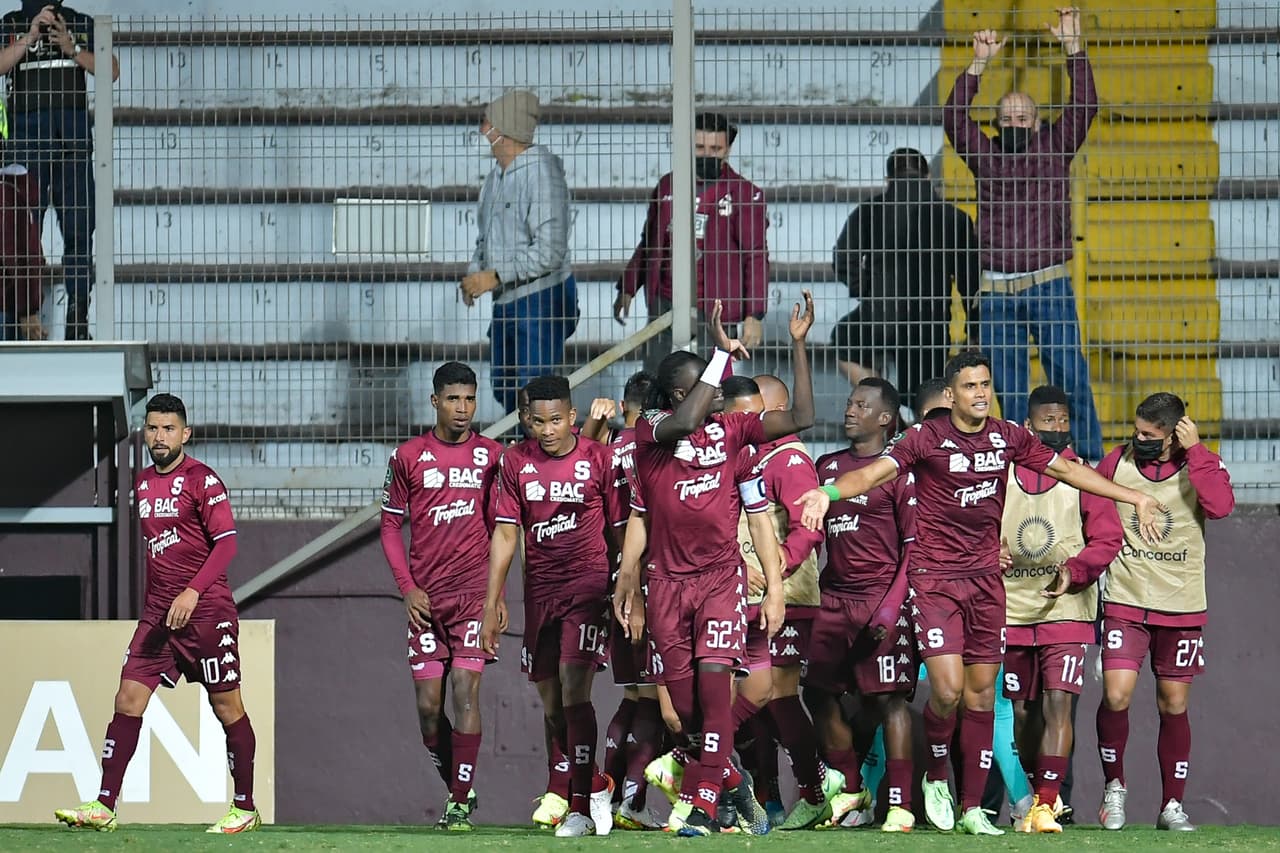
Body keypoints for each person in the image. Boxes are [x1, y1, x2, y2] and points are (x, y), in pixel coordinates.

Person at [793, 350, 1166, 836]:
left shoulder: (1007, 435)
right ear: (951, 395)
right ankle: (935, 778)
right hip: (936, 581)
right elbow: (875, 472)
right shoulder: (925, 437)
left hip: (987, 581)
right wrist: (830, 493)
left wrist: (1134, 496)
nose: (981, 393)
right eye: (971, 386)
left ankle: (972, 808)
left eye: (985, 384)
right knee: (946, 690)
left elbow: (1068, 471)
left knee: (982, 696)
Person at [613, 291, 817, 837]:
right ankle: (729, 780)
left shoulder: (734, 435)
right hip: (667, 586)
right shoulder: (649, 435)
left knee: (713, 689)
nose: (719, 387)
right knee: (683, 714)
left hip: (720, 582)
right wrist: (628, 583)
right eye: (706, 379)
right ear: (684, 392)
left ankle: (702, 806)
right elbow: (682, 424)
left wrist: (798, 347)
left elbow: (803, 416)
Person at [54, 394, 259, 833]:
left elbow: (227, 545)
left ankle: (245, 807)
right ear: (143, 432)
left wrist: (191, 592)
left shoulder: (203, 480)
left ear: (185, 434)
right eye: (152, 428)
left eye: (168, 428)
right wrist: (167, 600)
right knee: (127, 699)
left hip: (205, 613)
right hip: (158, 617)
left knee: (227, 706)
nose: (159, 436)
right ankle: (104, 806)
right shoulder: (143, 482)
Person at [943, 8, 1104, 460]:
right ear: (996, 124)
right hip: (996, 290)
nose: (1014, 124)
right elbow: (954, 119)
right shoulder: (986, 157)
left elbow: (1086, 105)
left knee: (1068, 375)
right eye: (1006, 118)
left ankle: (1087, 456)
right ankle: (1020, 461)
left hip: (1048, 281)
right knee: (1009, 388)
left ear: (1037, 122)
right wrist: (977, 64)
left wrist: (1074, 48)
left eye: (1022, 117)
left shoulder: (1056, 148)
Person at [479, 375, 626, 837]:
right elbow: (505, 534)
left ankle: (578, 805)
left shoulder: (599, 459)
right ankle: (594, 782)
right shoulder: (514, 463)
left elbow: (622, 528)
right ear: (526, 418)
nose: (547, 429)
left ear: (573, 417)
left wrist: (628, 583)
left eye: (556, 420)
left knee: (573, 687)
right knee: (551, 700)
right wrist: (491, 601)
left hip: (587, 586)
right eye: (538, 421)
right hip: (539, 592)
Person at [1094, 393, 1234, 832]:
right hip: (1126, 599)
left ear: (1176, 434)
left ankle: (1171, 805)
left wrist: (1197, 453)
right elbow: (1090, 507)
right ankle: (1114, 788)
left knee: (1173, 704)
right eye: (1137, 431)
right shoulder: (1116, 463)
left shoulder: (1203, 464)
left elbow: (1221, 507)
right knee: (1116, 695)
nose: (1139, 440)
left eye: (1151, 435)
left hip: (1182, 605)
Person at [379, 362, 504, 831]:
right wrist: (407, 588)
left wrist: (496, 597)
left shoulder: (493, 457)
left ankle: (457, 803)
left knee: (464, 692)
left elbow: (502, 531)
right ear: (435, 401)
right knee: (429, 713)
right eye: (454, 399)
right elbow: (390, 527)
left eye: (470, 399)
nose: (463, 408)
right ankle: (460, 787)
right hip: (426, 602)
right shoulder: (408, 456)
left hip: (472, 597)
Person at [999, 385, 1122, 833]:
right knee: (1021, 713)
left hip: (1066, 611)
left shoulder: (1084, 477)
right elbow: (978, 527)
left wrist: (1076, 569)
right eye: (1047, 421)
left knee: (1058, 706)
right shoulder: (1002, 476)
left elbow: (1107, 540)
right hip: (1010, 611)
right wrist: (989, 551)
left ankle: (1048, 804)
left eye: (1063, 420)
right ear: (1028, 425)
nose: (1056, 428)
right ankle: (1030, 793)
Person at [723, 374, 841, 831]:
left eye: (759, 412)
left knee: (775, 692)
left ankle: (696, 761)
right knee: (766, 699)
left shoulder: (789, 458)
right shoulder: (750, 455)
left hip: (788, 595)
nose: (750, 420)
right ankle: (777, 794)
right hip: (754, 595)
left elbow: (809, 528)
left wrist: (777, 572)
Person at [806, 378, 919, 833]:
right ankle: (853, 789)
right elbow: (812, 536)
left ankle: (900, 805)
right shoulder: (826, 466)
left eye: (861, 405)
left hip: (880, 599)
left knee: (889, 701)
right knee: (817, 693)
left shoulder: (899, 472)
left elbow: (914, 546)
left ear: (885, 418)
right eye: (850, 403)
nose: (849, 410)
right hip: (832, 599)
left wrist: (891, 609)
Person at [614, 112, 769, 370]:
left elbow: (755, 254)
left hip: (716, 310)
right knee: (657, 379)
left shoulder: (745, 194)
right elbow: (649, 241)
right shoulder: (667, 186)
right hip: (665, 305)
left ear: (728, 150)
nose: (707, 154)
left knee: (713, 389)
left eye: (715, 148)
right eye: (699, 147)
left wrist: (755, 313)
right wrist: (629, 285)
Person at [0, 1, 118, 339]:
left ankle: (77, 319)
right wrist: (30, 36)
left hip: (73, 145)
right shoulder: (11, 22)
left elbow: (111, 70)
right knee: (21, 239)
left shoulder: (80, 22)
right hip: (24, 148)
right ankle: (20, 320)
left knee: (79, 235)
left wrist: (72, 48)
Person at [831, 148, 980, 414]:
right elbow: (969, 280)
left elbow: (843, 259)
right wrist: (973, 328)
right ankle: (925, 439)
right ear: (928, 175)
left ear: (888, 178)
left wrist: (866, 290)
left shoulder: (870, 210)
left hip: (879, 317)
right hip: (929, 320)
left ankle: (887, 412)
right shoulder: (954, 217)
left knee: (843, 341)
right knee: (925, 392)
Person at [461, 90, 579, 412]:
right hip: (509, 298)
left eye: (488, 122)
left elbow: (550, 250)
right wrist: (476, 273)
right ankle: (523, 452)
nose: (483, 130)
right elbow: (485, 239)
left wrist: (495, 275)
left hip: (541, 298)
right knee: (505, 386)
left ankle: (537, 457)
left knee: (533, 388)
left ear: (502, 129)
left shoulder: (542, 172)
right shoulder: (495, 178)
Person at [598, 370, 666, 831]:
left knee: (634, 693)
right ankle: (633, 797)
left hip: (610, 575)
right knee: (655, 698)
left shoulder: (602, 453)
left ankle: (607, 790)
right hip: (647, 577)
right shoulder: (653, 450)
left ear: (625, 406)